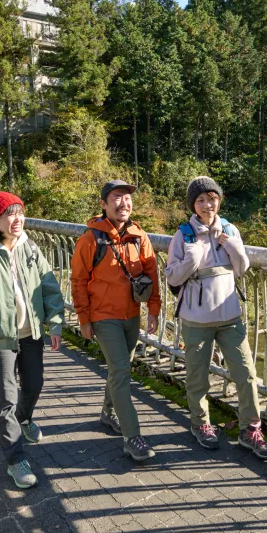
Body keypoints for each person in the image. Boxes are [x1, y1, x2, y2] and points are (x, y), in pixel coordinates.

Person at [0, 191, 65, 489]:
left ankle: (25, 419)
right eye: (9, 214)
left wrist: (55, 324)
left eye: (19, 212)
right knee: (5, 399)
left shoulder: (30, 248)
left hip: (30, 333)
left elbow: (49, 287)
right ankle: (15, 459)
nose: (16, 219)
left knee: (34, 384)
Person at [164, 176, 267, 460]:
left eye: (211, 198)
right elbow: (172, 277)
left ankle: (251, 429)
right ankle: (201, 424)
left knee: (246, 374)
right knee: (197, 377)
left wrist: (234, 247)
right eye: (200, 200)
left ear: (219, 200)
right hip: (196, 319)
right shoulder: (183, 234)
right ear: (193, 204)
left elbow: (240, 269)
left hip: (230, 316)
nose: (206, 204)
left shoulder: (229, 228)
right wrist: (193, 257)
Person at [70, 180, 161, 462]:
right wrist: (84, 319)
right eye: (117, 198)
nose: (124, 203)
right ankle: (132, 436)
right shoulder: (90, 239)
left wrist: (154, 310)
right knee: (121, 372)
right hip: (104, 317)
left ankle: (108, 412)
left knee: (119, 368)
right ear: (104, 204)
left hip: (131, 315)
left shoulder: (138, 236)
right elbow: (78, 281)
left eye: (127, 198)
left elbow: (152, 273)